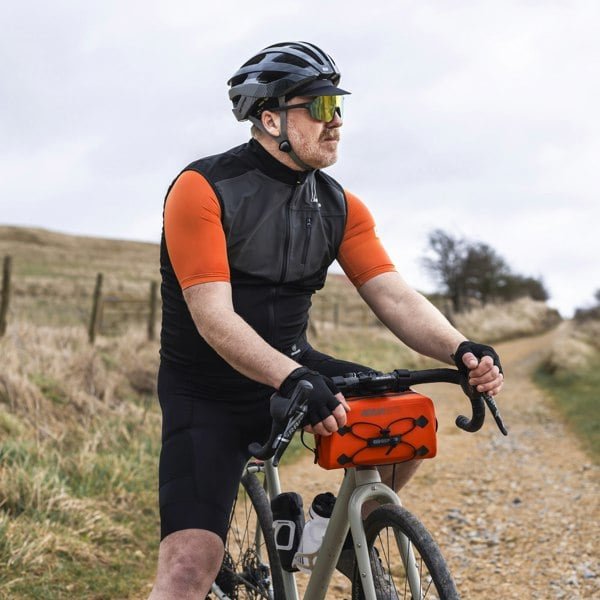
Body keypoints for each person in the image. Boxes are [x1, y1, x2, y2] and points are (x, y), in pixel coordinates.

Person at [149, 41, 504, 599]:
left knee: (403, 420)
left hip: (295, 366)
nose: (335, 121)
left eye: (338, 106)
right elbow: (213, 317)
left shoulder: (341, 206)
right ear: (270, 119)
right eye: (318, 107)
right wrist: (291, 378)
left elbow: (394, 297)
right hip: (207, 390)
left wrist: (460, 348)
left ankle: (330, 534)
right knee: (188, 569)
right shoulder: (203, 189)